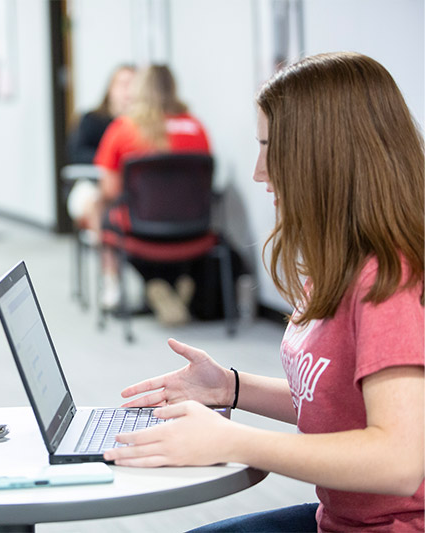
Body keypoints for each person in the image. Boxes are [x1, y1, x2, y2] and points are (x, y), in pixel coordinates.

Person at [103, 52, 424, 532]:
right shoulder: (341, 260)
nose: (258, 170)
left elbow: (399, 461)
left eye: (269, 146)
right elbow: (336, 401)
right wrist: (230, 387)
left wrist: (231, 441)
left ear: (323, 155)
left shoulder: (389, 279)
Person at [84, 64, 211, 321]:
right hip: (193, 229)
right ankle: (175, 281)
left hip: (141, 228)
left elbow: (110, 189)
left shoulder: (123, 128)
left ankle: (115, 288)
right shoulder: (196, 127)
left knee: (101, 211)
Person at [66, 64, 135, 165]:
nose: (129, 91)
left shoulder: (144, 124)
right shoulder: (92, 120)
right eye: (123, 84)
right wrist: (111, 159)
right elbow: (76, 153)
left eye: (134, 85)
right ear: (110, 88)